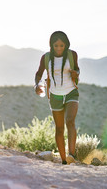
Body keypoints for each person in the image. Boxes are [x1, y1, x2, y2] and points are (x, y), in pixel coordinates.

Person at [34, 31, 80, 165]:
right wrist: (37, 85)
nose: (59, 48)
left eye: (62, 45)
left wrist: (75, 73)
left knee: (70, 121)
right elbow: (38, 74)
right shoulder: (46, 58)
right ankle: (64, 160)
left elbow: (77, 69)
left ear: (66, 45)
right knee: (59, 128)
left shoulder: (72, 55)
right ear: (51, 46)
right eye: (56, 46)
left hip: (71, 92)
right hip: (55, 95)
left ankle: (72, 155)